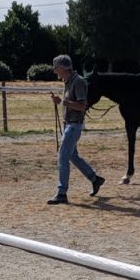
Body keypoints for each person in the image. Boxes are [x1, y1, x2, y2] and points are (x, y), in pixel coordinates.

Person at [48, 54, 105, 205]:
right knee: (72, 156)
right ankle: (95, 179)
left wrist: (62, 102)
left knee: (62, 156)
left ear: (63, 67)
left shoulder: (78, 82)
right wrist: (60, 103)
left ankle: (62, 193)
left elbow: (82, 106)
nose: (54, 71)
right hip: (70, 124)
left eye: (56, 68)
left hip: (74, 125)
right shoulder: (68, 81)